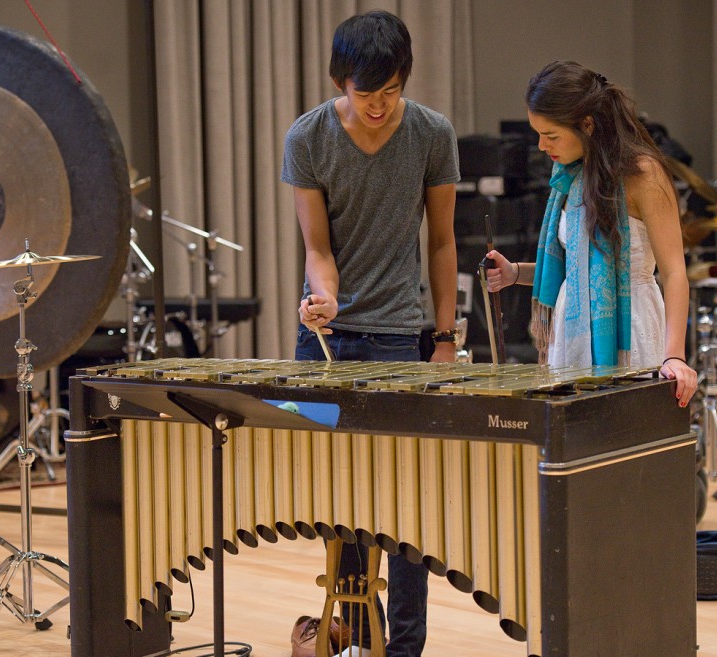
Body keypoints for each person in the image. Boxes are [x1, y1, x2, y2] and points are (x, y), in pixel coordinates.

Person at [280, 9, 460, 657]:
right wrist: (324, 298)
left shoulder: (432, 133)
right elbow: (318, 249)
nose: (379, 106)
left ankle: (404, 648)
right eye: (366, 94)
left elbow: (442, 242)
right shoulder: (308, 138)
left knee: (408, 513)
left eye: (391, 92)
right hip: (327, 344)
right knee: (343, 507)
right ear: (341, 83)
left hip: (399, 339)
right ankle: (362, 639)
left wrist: (445, 337)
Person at [485, 60, 697, 406]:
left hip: (631, 328)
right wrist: (514, 273)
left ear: (587, 124)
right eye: (538, 134)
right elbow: (577, 270)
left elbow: (674, 273)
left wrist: (675, 356)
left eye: (551, 135)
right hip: (570, 334)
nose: (542, 146)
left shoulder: (644, 173)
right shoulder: (569, 176)